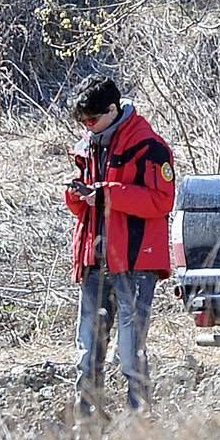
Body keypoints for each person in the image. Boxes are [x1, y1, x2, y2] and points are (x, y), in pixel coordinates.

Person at [65, 75, 178, 418]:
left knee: (130, 355)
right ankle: (87, 427)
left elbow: (162, 201)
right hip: (94, 260)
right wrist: (77, 195)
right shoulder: (89, 145)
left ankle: (139, 426)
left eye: (91, 120)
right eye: (82, 121)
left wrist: (106, 194)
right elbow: (86, 207)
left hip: (135, 263)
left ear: (112, 110)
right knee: (87, 353)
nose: (86, 126)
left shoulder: (149, 145)